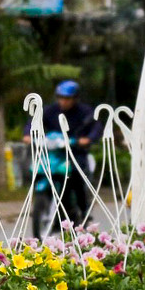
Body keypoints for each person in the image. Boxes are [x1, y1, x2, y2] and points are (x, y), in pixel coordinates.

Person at [52, 79, 103, 225]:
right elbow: (34, 122)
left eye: (67, 98)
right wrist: (28, 134)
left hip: (76, 154)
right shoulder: (51, 111)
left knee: (78, 177)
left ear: (75, 98)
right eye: (60, 98)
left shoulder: (85, 112)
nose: (63, 101)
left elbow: (96, 127)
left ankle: (84, 209)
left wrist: (88, 139)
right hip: (57, 154)